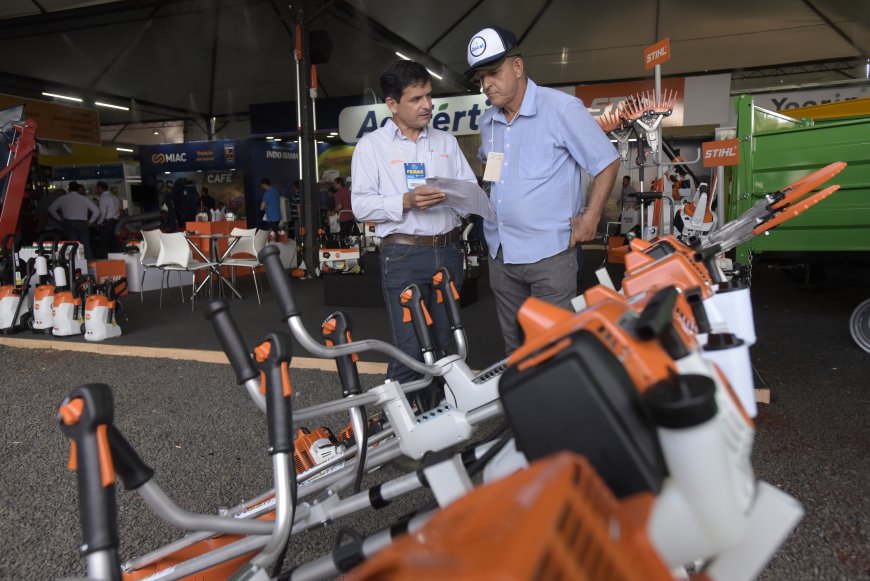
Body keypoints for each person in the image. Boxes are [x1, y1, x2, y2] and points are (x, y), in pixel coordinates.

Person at [466, 26, 620, 354]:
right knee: (516, 349)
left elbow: (607, 161)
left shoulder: (561, 109)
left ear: (518, 67)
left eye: (493, 73)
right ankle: (526, 404)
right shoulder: (487, 122)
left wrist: (590, 217)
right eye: (481, 77)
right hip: (501, 253)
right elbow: (491, 169)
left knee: (554, 349)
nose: (486, 84)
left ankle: (558, 404)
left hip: (549, 255)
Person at [351, 59, 477, 397]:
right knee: (411, 347)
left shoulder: (446, 142)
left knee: (447, 343)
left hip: (448, 252)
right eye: (416, 99)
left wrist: (456, 200)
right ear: (392, 103)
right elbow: (361, 207)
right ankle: (411, 430)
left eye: (428, 96)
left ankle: (448, 418)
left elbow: (469, 189)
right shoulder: (371, 147)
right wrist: (405, 201)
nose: (427, 105)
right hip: (403, 254)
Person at [49, 181, 100, 259]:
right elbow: (96, 210)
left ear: (68, 188)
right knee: (86, 245)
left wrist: (59, 219)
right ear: (77, 189)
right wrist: (90, 222)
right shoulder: (83, 198)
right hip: (82, 223)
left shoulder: (63, 198)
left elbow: (51, 209)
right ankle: (90, 264)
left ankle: (75, 263)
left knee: (73, 244)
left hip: (69, 223)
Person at [96, 181, 121, 255]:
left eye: (96, 188)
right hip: (116, 222)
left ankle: (106, 261)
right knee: (114, 243)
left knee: (106, 244)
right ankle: (116, 259)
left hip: (107, 223)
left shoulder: (103, 198)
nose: (96, 190)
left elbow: (103, 212)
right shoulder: (115, 197)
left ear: (100, 188)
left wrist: (99, 222)